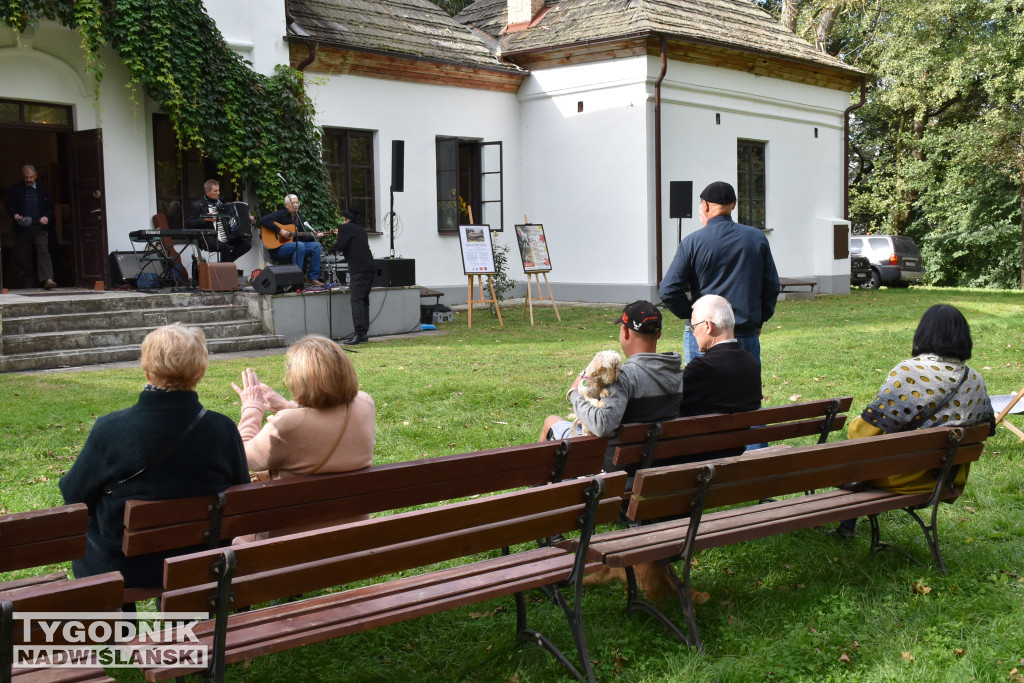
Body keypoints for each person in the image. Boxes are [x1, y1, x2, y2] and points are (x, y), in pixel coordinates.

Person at [59, 323, 249, 591]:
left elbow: (74, 494)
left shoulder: (111, 428)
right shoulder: (222, 429)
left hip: (122, 565)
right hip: (197, 558)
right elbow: (241, 495)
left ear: (147, 370)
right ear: (201, 371)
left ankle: (119, 630)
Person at [835, 304, 995, 537]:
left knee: (852, 457)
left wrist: (858, 421)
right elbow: (986, 429)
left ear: (923, 333)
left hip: (902, 477)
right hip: (945, 480)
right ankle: (846, 526)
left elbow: (861, 435)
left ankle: (845, 527)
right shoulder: (975, 379)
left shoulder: (910, 372)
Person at [539, 300, 684, 473]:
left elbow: (601, 426)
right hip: (658, 471)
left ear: (625, 332)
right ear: (658, 334)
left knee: (551, 422)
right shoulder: (678, 373)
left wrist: (574, 393)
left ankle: (539, 492)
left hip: (614, 475)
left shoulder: (624, 377)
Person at [659, 181, 780, 364]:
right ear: (734, 205)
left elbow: (668, 290)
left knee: (703, 391)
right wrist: (759, 320)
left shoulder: (692, 242)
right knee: (745, 390)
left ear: (705, 205)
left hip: (705, 334)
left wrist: (693, 314)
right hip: (744, 332)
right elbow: (771, 286)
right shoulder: (756, 238)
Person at [5, 164, 56, 289]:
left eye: (30, 177)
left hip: (40, 227)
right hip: (23, 228)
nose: (28, 180)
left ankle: (48, 280)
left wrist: (46, 217)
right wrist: (15, 215)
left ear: (36, 176)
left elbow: (51, 207)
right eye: (26, 177)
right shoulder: (15, 189)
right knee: (24, 256)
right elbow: (8, 205)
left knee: (43, 252)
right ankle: (27, 284)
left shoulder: (43, 189)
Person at [330, 208, 376, 345]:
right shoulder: (361, 229)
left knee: (356, 300)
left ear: (346, 219)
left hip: (358, 269)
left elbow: (340, 245)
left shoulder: (345, 228)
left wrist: (328, 250)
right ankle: (364, 333)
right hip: (369, 267)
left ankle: (359, 333)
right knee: (364, 300)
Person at [259, 193, 324, 286]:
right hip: (277, 248)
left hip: (293, 246)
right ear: (287, 205)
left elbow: (303, 237)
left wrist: (315, 236)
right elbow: (263, 220)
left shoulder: (298, 217)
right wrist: (279, 230)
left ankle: (313, 278)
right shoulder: (281, 214)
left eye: (297, 203)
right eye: (293, 203)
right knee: (299, 245)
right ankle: (295, 279)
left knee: (316, 246)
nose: (296, 205)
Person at [186, 179, 252, 263]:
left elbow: (231, 219)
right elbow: (189, 223)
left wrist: (246, 219)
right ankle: (224, 267)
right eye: (215, 191)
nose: (218, 193)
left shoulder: (222, 204)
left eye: (218, 190)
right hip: (208, 237)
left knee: (246, 245)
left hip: (226, 236)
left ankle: (224, 265)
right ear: (207, 192)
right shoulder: (197, 205)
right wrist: (205, 219)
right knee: (226, 247)